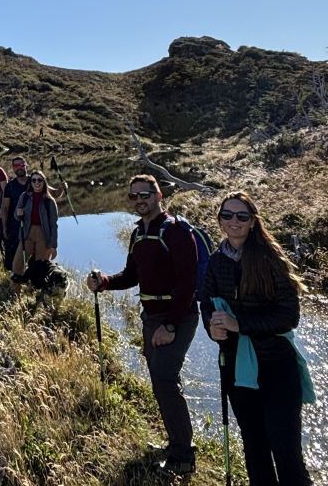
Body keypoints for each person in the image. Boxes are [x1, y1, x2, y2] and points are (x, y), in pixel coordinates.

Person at [86, 174, 199, 475]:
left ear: (158, 194)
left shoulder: (176, 231)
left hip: (177, 317)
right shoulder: (138, 234)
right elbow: (131, 275)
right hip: (151, 317)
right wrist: (105, 282)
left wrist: (171, 325)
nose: (139, 200)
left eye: (144, 194)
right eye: (133, 196)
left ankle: (184, 458)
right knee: (161, 383)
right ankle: (176, 444)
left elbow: (188, 284)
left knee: (164, 380)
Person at [201, 192, 313, 486]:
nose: (234, 221)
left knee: (286, 453)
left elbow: (289, 316)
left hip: (277, 365)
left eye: (241, 216)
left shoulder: (271, 259)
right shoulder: (215, 261)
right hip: (237, 369)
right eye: (227, 215)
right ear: (220, 220)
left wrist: (240, 325)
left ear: (253, 222)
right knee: (254, 449)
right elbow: (207, 303)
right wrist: (211, 328)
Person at [0, 156, 67, 273]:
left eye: (21, 165)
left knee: (38, 264)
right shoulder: (11, 186)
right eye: (16, 166)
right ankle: (16, 284)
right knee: (16, 263)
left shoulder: (35, 179)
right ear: (13, 168)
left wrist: (61, 188)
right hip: (19, 227)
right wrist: (4, 227)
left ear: (26, 166)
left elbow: (54, 194)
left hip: (41, 231)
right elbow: (5, 208)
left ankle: (33, 285)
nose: (19, 168)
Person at [11, 169, 57, 281]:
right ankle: (16, 293)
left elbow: (53, 225)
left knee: (41, 269)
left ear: (44, 182)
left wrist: (53, 246)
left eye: (40, 180)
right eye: (34, 180)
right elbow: (16, 217)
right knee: (17, 265)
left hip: (43, 237)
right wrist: (18, 213)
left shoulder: (49, 201)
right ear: (30, 182)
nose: (37, 182)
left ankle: (37, 294)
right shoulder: (24, 196)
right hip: (26, 235)